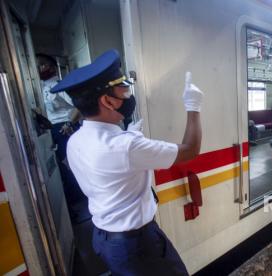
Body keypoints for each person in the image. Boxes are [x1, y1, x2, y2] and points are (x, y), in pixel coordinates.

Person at [51, 49, 203, 275]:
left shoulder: (75, 141)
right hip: (138, 244)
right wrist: (194, 107)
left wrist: (130, 136)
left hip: (103, 238)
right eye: (123, 88)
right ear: (108, 101)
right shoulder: (126, 147)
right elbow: (190, 150)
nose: (128, 93)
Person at [36, 53, 85, 215]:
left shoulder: (60, 84)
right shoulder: (39, 87)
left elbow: (79, 106)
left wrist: (69, 123)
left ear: (50, 66)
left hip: (65, 129)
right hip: (52, 130)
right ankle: (72, 204)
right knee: (60, 170)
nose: (39, 68)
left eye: (42, 64)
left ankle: (80, 200)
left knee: (69, 167)